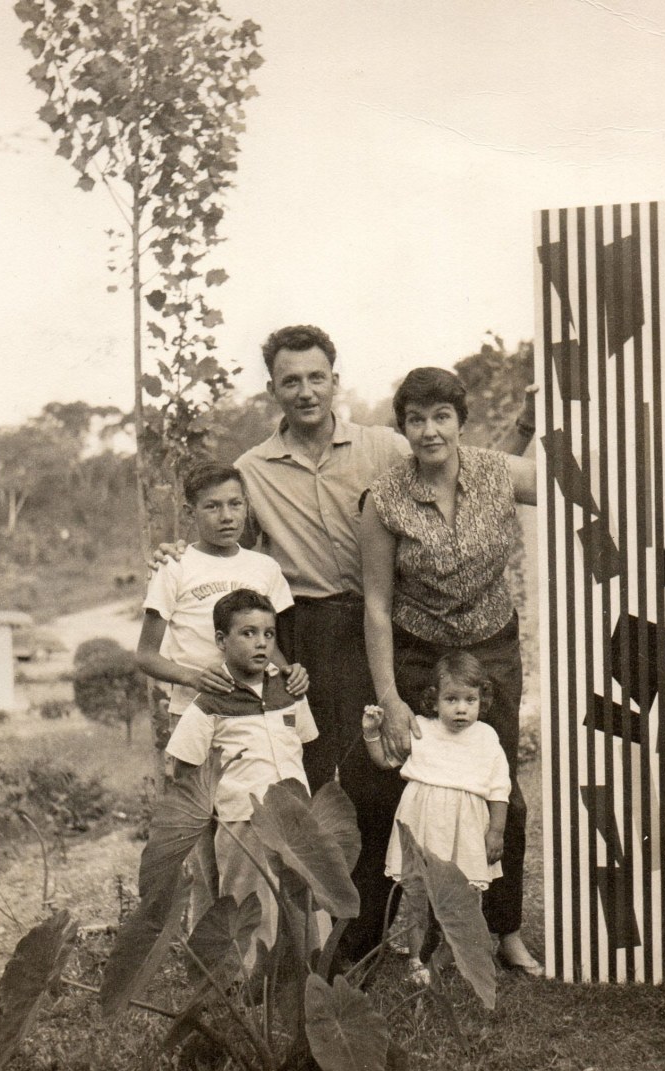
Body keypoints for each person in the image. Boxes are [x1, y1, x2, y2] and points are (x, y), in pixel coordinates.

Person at [228, 325, 537, 964]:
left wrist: (527, 426)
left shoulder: (384, 444)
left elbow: (471, 470)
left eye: (317, 377)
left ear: (335, 381)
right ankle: (347, 938)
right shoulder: (251, 471)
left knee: (411, 776)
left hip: (390, 627)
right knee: (325, 782)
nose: (306, 391)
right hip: (311, 629)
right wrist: (178, 559)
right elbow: (227, 543)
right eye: (291, 380)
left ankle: (451, 927)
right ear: (273, 389)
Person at [165, 589, 320, 970]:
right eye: (248, 633)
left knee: (301, 896)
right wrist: (217, 807)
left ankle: (305, 972)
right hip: (243, 819)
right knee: (249, 902)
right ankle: (248, 981)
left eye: (268, 634)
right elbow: (184, 767)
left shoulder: (289, 691)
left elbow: (304, 743)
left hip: (294, 814)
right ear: (222, 640)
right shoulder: (210, 702)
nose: (261, 643)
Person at [135, 461, 307, 754]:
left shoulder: (265, 568)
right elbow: (146, 656)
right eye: (212, 507)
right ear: (190, 513)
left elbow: (269, 645)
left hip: (254, 711)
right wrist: (193, 677)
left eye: (235, 504)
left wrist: (289, 672)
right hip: (196, 711)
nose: (227, 516)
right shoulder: (174, 566)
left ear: (246, 506)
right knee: (200, 783)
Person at [362, 651, 511, 984]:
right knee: (418, 894)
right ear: (434, 699)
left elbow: (500, 788)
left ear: (482, 700)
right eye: (451, 699)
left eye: (470, 700)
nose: (461, 708)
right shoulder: (422, 729)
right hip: (423, 823)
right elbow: (385, 761)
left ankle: (448, 955)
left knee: (464, 895)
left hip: (466, 827)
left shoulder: (486, 737)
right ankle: (417, 960)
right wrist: (372, 733)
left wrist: (496, 832)